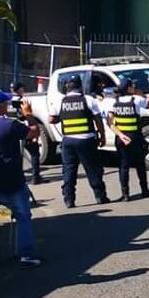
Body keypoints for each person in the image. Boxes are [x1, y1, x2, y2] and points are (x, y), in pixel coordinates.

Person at [0, 89, 42, 268]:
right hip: (11, 182)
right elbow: (34, 132)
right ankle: (26, 255)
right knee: (23, 217)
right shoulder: (10, 124)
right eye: (6, 102)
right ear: (1, 105)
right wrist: (29, 115)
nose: (8, 105)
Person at [51, 74, 110, 208]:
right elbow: (98, 119)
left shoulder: (61, 101)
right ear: (80, 86)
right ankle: (100, 197)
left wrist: (63, 117)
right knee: (93, 169)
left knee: (69, 171)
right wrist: (102, 135)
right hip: (86, 140)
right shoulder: (88, 100)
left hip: (68, 141)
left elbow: (51, 119)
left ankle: (69, 200)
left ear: (67, 86)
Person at [107, 77, 149, 201]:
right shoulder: (137, 100)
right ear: (129, 88)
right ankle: (145, 190)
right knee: (140, 164)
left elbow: (109, 122)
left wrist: (120, 135)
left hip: (121, 138)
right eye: (132, 86)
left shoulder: (114, 102)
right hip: (135, 137)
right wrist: (141, 93)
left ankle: (125, 194)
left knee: (123, 166)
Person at [11, 81, 42, 184]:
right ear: (19, 89)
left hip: (12, 130)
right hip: (24, 130)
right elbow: (26, 116)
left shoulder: (8, 101)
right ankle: (35, 177)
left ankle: (18, 177)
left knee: (17, 155)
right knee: (34, 153)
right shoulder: (22, 101)